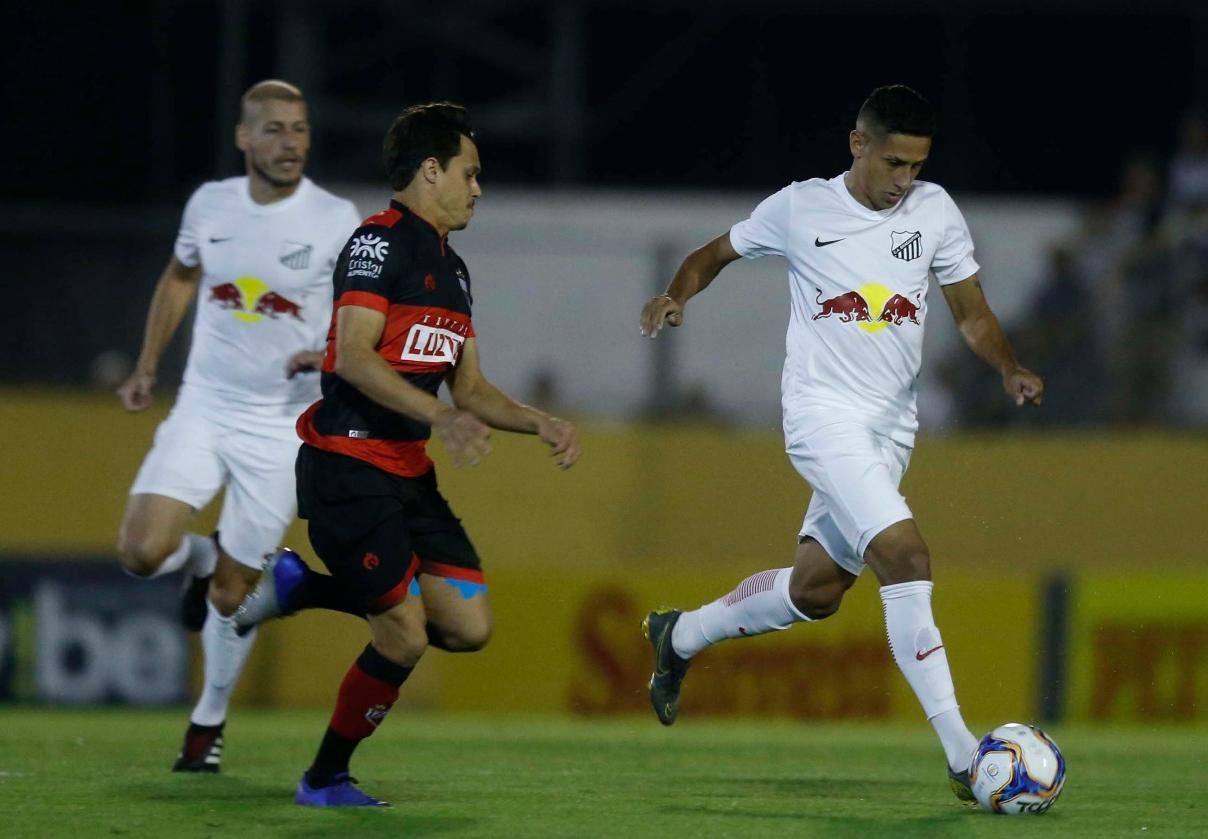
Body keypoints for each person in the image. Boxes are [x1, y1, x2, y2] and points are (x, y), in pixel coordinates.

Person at [637, 84, 1043, 803]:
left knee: (815, 591)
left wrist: (1009, 367)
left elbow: (972, 314)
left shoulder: (935, 212)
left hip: (892, 428)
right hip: (821, 415)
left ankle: (680, 636)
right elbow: (712, 253)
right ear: (859, 145)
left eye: (916, 166)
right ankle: (964, 756)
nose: (903, 181)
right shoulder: (800, 207)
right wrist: (676, 294)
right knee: (907, 554)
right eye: (893, 163)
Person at [231, 102, 580, 807]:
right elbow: (356, 359)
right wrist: (437, 415)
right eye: (469, 172)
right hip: (346, 465)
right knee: (404, 636)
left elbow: (472, 387)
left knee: (468, 625)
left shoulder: (455, 270)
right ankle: (324, 777)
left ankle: (304, 586)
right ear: (431, 170)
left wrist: (539, 422)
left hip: (407, 477)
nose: (478, 188)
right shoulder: (376, 242)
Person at [115, 80, 360, 773]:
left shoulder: (334, 218)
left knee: (234, 594)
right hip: (206, 404)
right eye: (276, 130)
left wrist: (334, 349)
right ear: (244, 138)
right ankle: (197, 559)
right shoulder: (210, 203)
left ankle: (207, 721)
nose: (292, 143)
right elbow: (180, 276)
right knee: (139, 550)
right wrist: (145, 364)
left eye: (301, 129)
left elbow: (367, 306)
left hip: (285, 425)